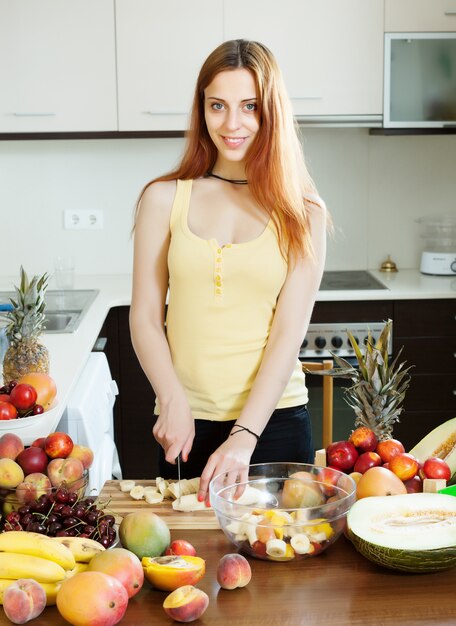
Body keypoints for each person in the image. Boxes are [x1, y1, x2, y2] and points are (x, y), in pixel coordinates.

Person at [130, 39, 327, 503]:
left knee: (282, 562)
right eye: (217, 105)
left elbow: (287, 334)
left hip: (274, 422)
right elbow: (144, 318)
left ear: (270, 112)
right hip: (184, 425)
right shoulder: (163, 199)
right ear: (202, 109)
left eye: (249, 106)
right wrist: (173, 400)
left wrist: (244, 435)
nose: (232, 124)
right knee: (191, 566)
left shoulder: (304, 211)